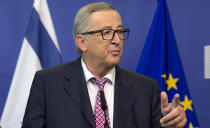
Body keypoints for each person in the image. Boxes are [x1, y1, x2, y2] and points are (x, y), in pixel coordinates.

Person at [22, 2, 186, 128]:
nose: (117, 40)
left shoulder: (146, 88)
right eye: (106, 32)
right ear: (82, 42)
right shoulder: (48, 83)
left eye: (120, 32)